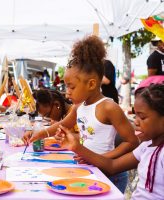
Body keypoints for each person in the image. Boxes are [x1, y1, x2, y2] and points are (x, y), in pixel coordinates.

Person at [23, 35, 139, 192]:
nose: (67, 93)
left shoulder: (108, 107)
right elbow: (62, 125)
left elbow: (132, 142)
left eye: (71, 87)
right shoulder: (79, 107)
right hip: (90, 170)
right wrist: (39, 133)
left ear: (91, 84)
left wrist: (103, 158)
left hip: (110, 175)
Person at [56, 84, 164, 199]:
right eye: (135, 116)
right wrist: (77, 148)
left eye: (142, 117)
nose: (136, 122)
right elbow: (112, 166)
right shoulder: (146, 147)